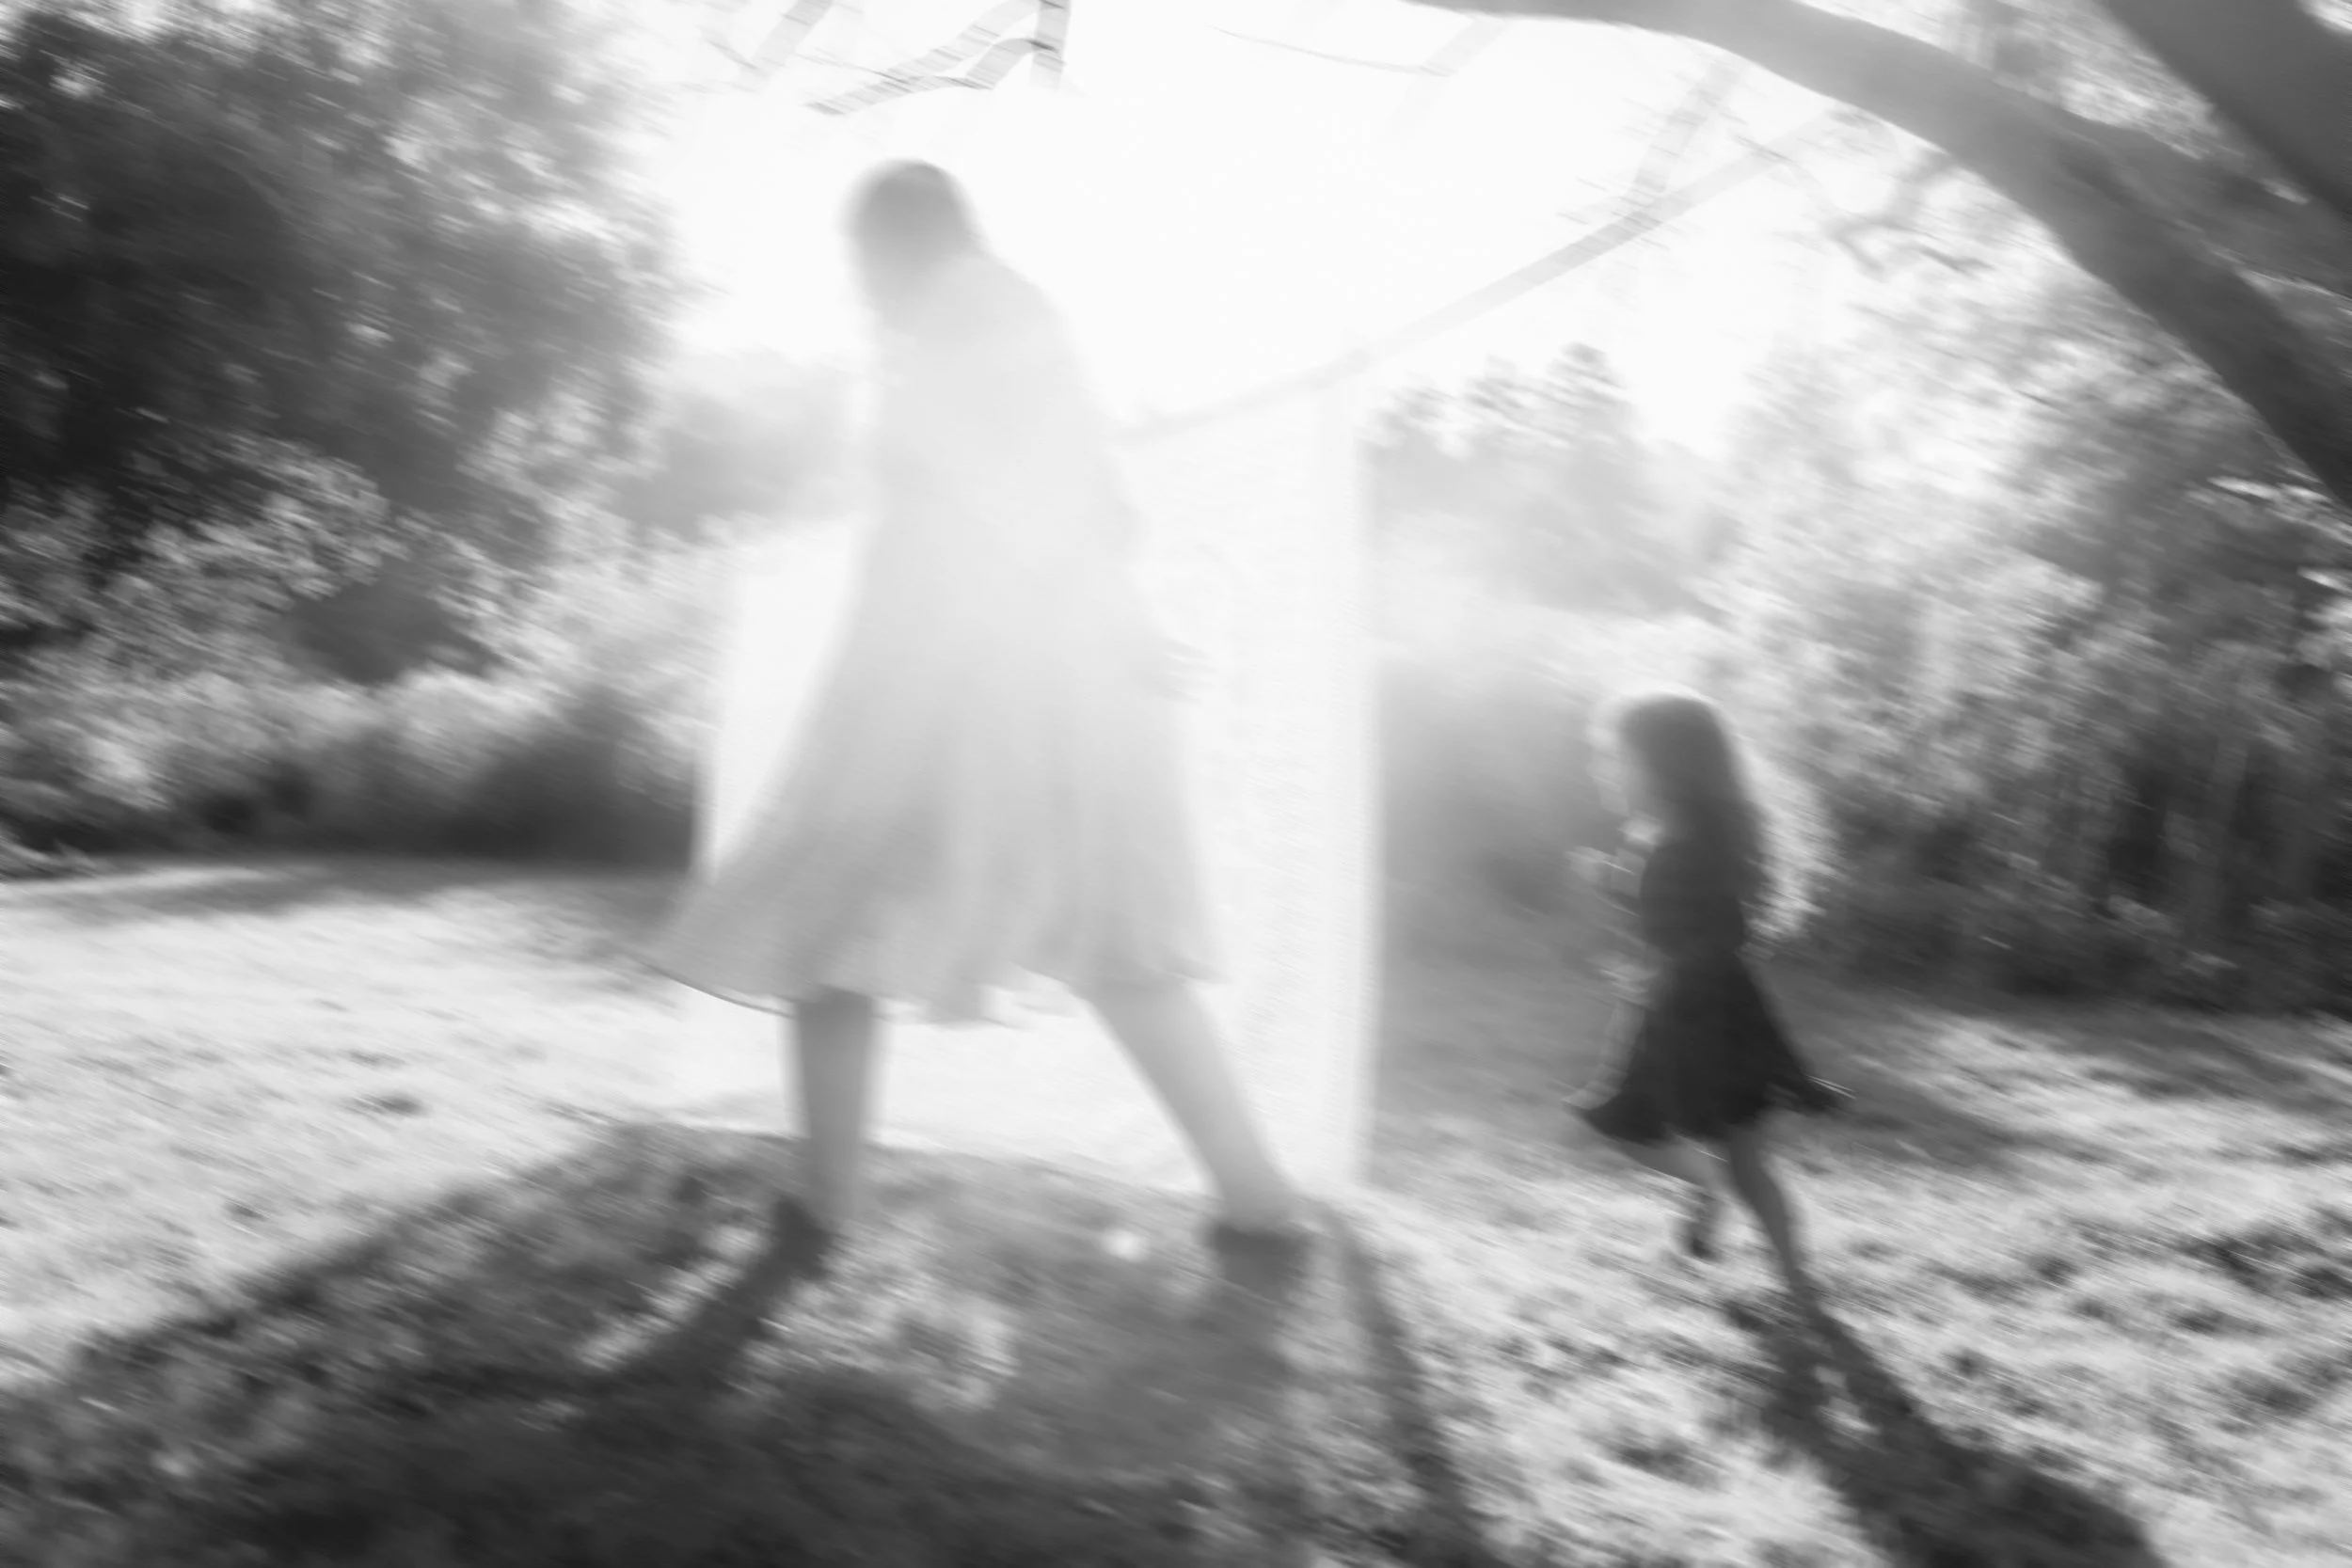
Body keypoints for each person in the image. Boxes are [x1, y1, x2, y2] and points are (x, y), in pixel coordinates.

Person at [648, 162, 1309, 1258]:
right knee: (1111, 936)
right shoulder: (1017, 320)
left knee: (832, 912)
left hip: (963, 680)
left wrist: (1090, 626)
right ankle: (1254, 1195)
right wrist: (1113, 624)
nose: (859, 291)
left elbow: (1011, 505)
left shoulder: (967, 322)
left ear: (890, 247)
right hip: (1056, 670)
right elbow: (1079, 502)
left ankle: (826, 1199)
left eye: (859, 265)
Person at [1568, 687, 1847, 1307]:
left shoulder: (1693, 844)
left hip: (1710, 1015)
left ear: (1666, 765)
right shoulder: (1660, 836)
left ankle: (1795, 1277)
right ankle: (1708, 1193)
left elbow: (1721, 931)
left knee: (1740, 1154)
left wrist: (1669, 971)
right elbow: (1661, 911)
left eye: (1616, 756)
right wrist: (1614, 885)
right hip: (1672, 1007)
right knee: (1631, 1121)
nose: (1604, 769)